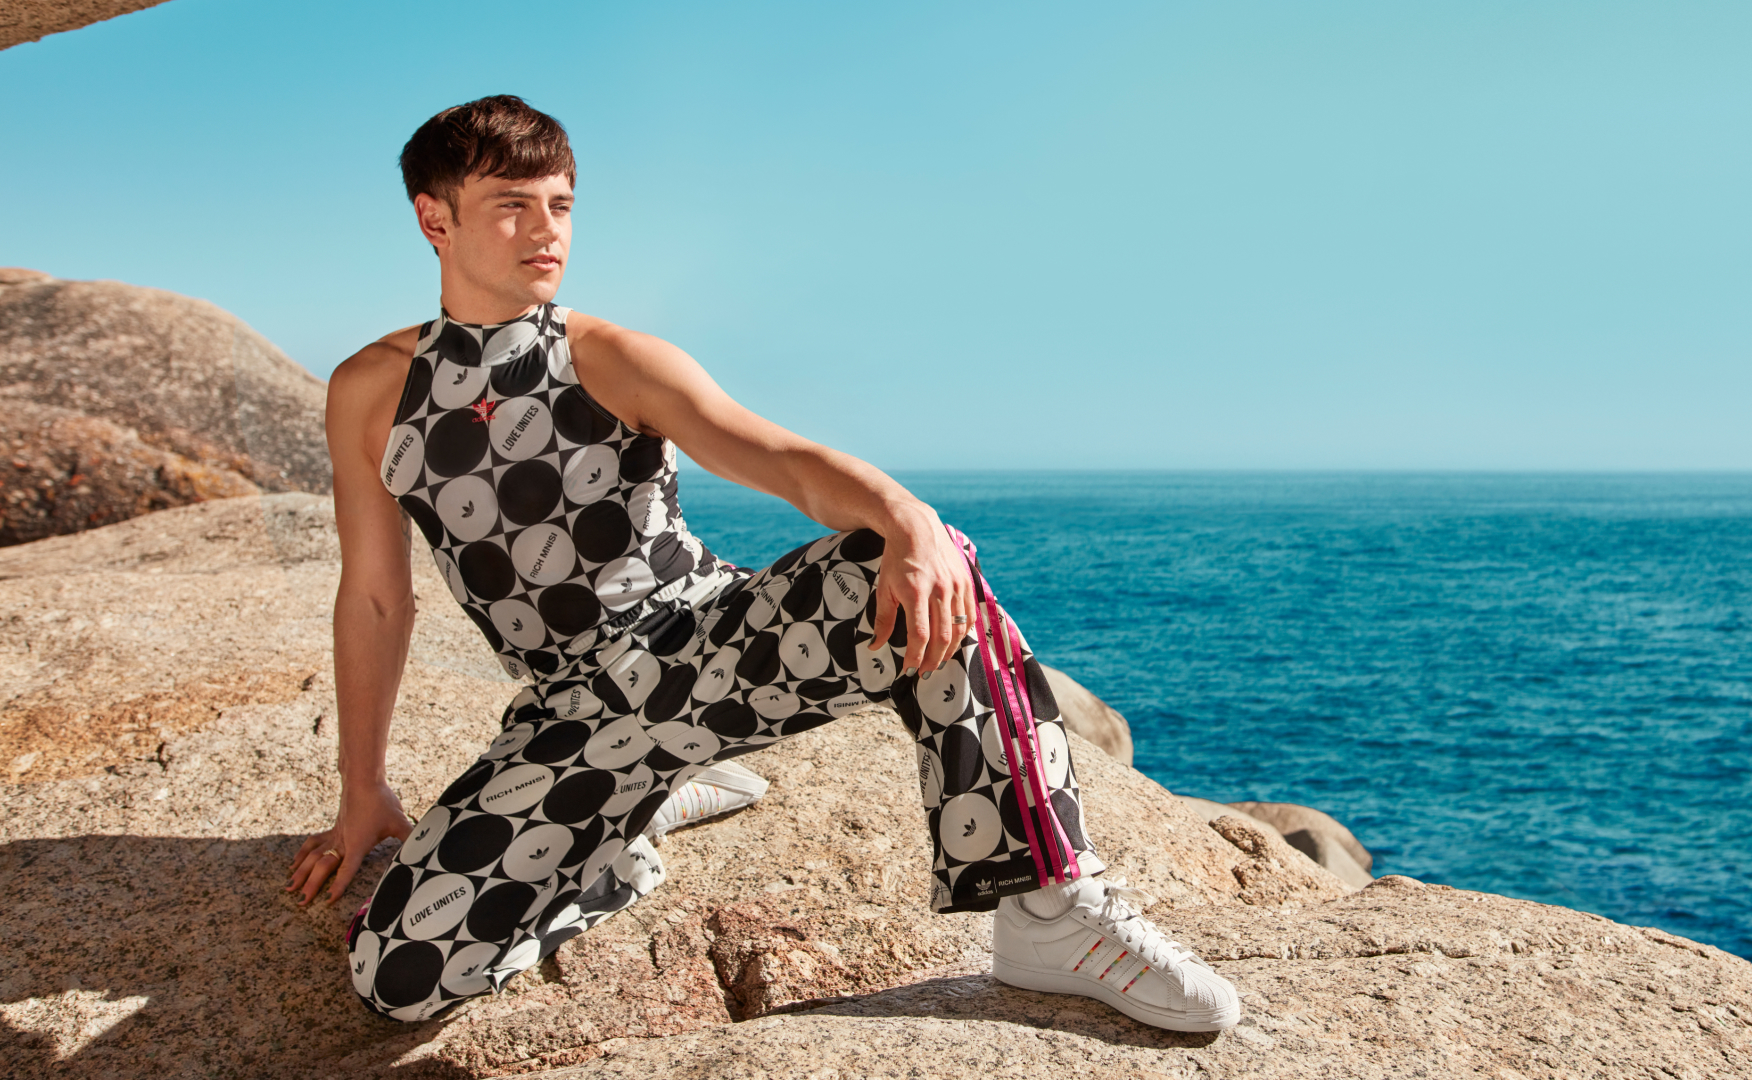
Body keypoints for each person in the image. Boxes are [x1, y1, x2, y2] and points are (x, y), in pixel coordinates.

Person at [287, 94, 1237, 1033]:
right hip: (569, 715)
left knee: (921, 559)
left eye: (562, 206)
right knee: (395, 976)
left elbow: (775, 458)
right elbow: (374, 598)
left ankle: (1048, 910)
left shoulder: (608, 356)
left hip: (709, 644)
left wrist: (904, 512)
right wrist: (362, 788)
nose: (548, 232)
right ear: (434, 219)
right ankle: (627, 826)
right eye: (513, 205)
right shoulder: (371, 391)